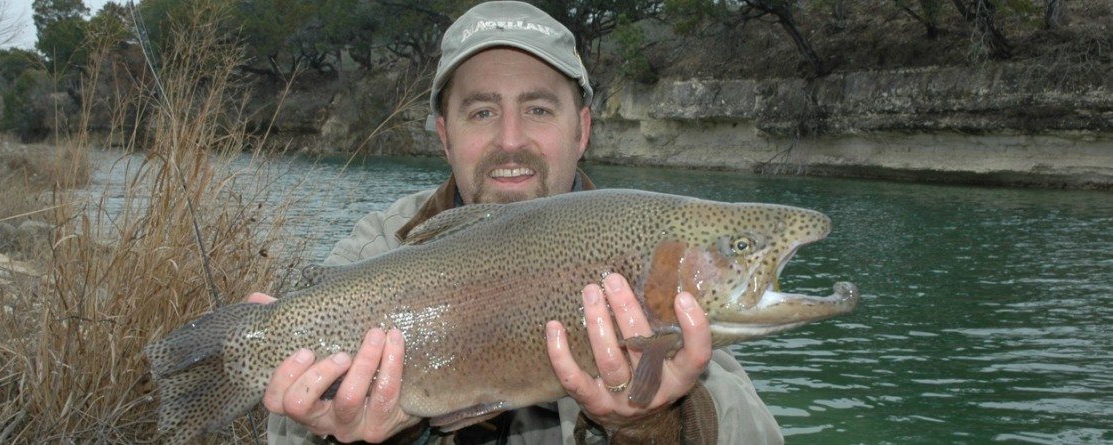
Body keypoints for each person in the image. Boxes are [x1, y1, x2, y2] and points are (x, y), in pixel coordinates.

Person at [251, 2, 784, 444]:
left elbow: (755, 432)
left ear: (582, 130)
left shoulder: (645, 251)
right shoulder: (379, 247)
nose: (510, 139)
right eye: (482, 111)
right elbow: (285, 424)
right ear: (444, 134)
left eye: (538, 109)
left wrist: (653, 423)